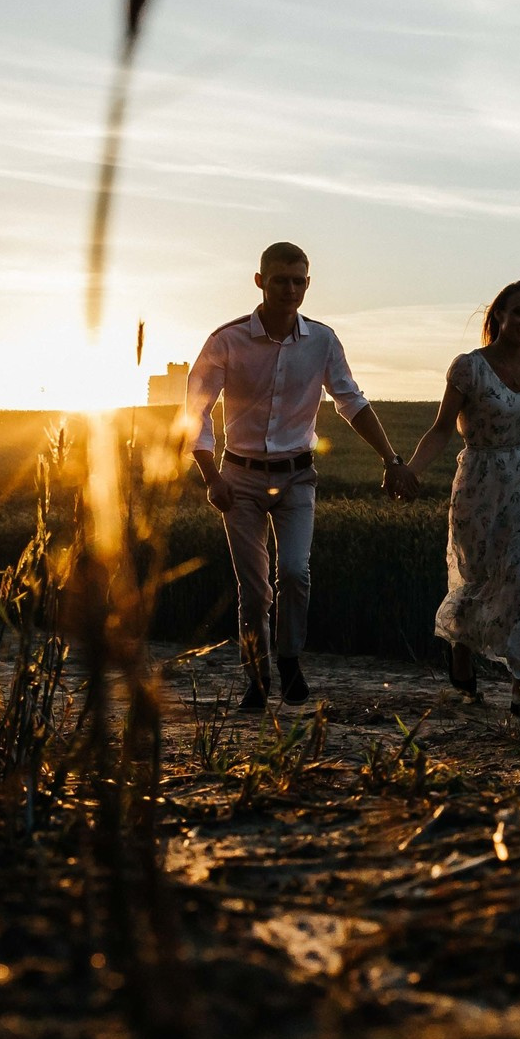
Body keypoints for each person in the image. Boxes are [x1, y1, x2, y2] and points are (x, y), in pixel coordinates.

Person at [185, 241, 418, 711]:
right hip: (240, 478)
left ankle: (289, 658)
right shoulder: (226, 340)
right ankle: (258, 676)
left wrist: (391, 459)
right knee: (253, 590)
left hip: (296, 477)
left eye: (298, 281)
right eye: (280, 280)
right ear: (260, 282)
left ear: (308, 284)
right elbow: (196, 410)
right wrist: (211, 476)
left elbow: (350, 400)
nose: (290, 289)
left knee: (294, 572)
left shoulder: (323, 341)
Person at [397, 280, 520, 700]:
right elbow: (441, 430)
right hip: (479, 484)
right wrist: (411, 471)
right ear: (498, 316)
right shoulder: (469, 367)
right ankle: (460, 646)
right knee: (476, 579)